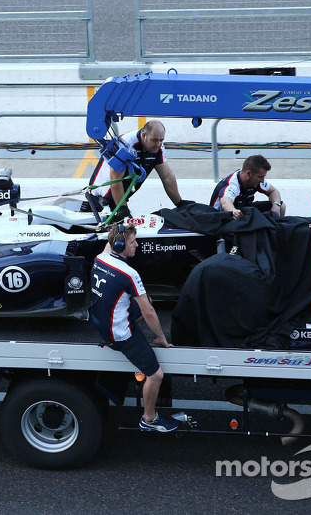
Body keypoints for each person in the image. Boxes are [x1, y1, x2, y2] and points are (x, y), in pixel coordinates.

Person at [89, 224, 179, 433]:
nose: (137, 245)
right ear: (120, 245)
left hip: (100, 319)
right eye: (132, 242)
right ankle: (149, 419)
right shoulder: (129, 273)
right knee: (156, 375)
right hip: (119, 334)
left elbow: (109, 242)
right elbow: (148, 313)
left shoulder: (100, 257)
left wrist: (119, 228)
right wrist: (161, 338)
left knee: (142, 297)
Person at [88, 120, 183, 220]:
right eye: (155, 140)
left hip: (119, 198)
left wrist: (180, 203)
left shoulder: (158, 147)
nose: (158, 144)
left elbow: (167, 177)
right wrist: (122, 208)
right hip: (101, 199)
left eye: (161, 140)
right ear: (143, 135)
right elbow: (115, 179)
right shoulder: (126, 144)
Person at [210, 154, 286, 218]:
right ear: (248, 173)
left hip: (243, 210)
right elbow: (225, 202)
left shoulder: (254, 179)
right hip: (222, 217)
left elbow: (273, 191)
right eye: (260, 177)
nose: (262, 180)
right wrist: (234, 211)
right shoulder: (232, 184)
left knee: (281, 206)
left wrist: (276, 206)